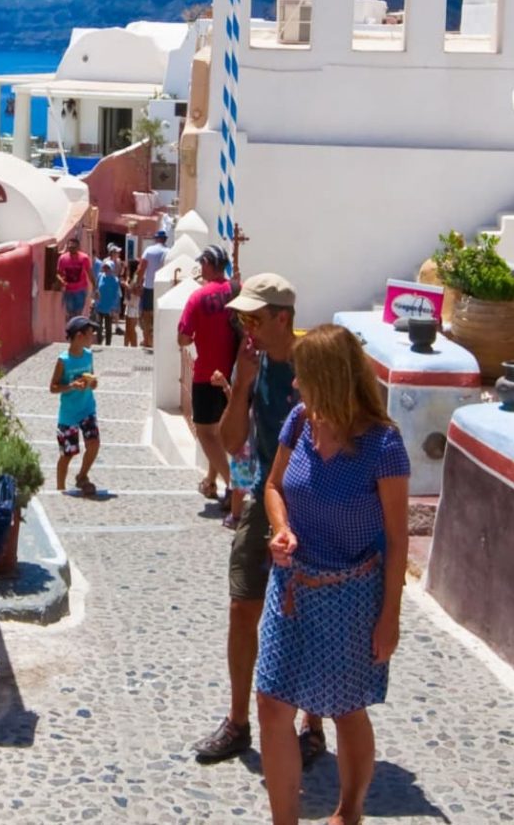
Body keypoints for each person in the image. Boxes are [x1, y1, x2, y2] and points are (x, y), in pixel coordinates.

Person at [255, 325, 409, 825]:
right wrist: (280, 528)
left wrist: (390, 618)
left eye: (305, 376)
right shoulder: (300, 422)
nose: (296, 385)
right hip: (292, 590)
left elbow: (398, 538)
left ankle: (350, 812)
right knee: (273, 704)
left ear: (332, 378)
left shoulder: (382, 446)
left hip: (352, 597)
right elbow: (273, 486)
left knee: (345, 709)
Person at [191, 272, 325, 768]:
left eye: (254, 318)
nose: (245, 327)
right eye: (242, 318)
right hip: (261, 502)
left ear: (283, 319)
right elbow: (229, 442)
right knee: (241, 606)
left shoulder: (315, 364)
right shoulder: (254, 361)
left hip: (310, 506)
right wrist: (243, 382)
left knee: (310, 617)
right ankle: (237, 721)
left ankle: (312, 725)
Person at [177, 245, 240, 503]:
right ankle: (210, 481)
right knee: (219, 431)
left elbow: (182, 338)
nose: (200, 269)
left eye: (202, 263)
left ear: (209, 263)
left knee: (204, 431)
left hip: (206, 375)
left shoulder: (197, 297)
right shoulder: (238, 290)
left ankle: (232, 485)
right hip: (235, 374)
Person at [50, 316, 102, 497]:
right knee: (67, 454)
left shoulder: (89, 355)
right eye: (90, 334)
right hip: (69, 414)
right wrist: (71, 386)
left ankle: (82, 476)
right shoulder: (63, 361)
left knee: (94, 444)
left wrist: (92, 383)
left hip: (87, 408)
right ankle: (59, 490)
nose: (93, 337)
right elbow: (53, 387)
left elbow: (92, 378)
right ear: (79, 336)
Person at [135, 233, 170, 350]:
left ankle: (146, 340)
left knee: (146, 314)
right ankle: (157, 341)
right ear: (165, 240)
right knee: (159, 314)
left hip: (149, 286)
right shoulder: (169, 251)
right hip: (163, 287)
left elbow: (141, 268)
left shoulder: (149, 250)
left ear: (156, 239)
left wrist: (138, 283)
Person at [95, 244, 125, 345]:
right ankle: (99, 341)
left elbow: (115, 295)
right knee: (99, 325)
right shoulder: (100, 276)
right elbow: (96, 288)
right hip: (99, 304)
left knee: (108, 326)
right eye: (105, 267)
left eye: (108, 268)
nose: (106, 269)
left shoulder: (115, 280)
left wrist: (113, 307)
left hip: (108, 306)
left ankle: (108, 344)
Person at [56, 237, 92, 321]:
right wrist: (61, 280)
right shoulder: (62, 258)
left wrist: (95, 287)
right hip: (68, 290)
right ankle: (71, 332)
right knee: (69, 313)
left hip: (81, 290)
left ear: (78, 247)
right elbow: (58, 273)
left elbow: (89, 273)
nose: (71, 249)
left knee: (78, 313)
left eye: (74, 247)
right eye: (70, 247)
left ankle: (75, 331)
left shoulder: (84, 258)